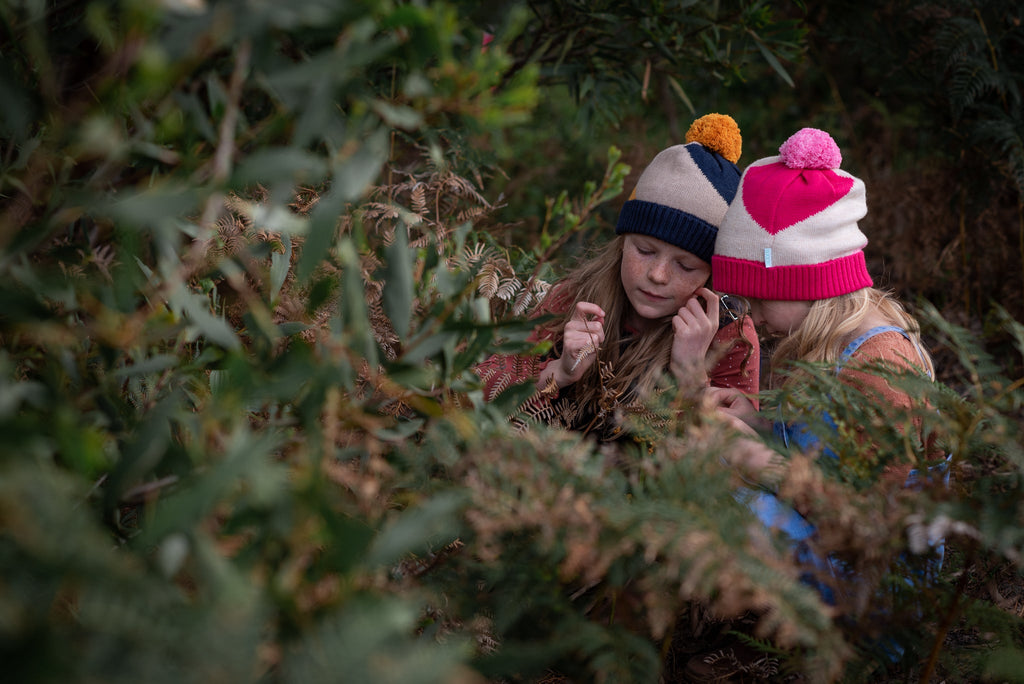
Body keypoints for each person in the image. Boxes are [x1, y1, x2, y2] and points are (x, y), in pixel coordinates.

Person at [685, 127, 947, 680]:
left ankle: (801, 650)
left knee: (725, 497)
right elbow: (820, 452)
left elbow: (871, 527)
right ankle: (767, 635)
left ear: (811, 280)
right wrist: (756, 422)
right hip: (824, 554)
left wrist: (764, 464)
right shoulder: (813, 341)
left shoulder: (879, 370)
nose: (749, 311)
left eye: (757, 293)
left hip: (875, 597)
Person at [476, 114, 759, 442]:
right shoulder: (576, 298)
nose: (657, 275)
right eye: (645, 250)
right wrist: (560, 373)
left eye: (686, 266)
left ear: (712, 275)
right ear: (622, 242)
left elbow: (730, 470)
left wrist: (691, 378)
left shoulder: (730, 336)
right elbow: (476, 391)